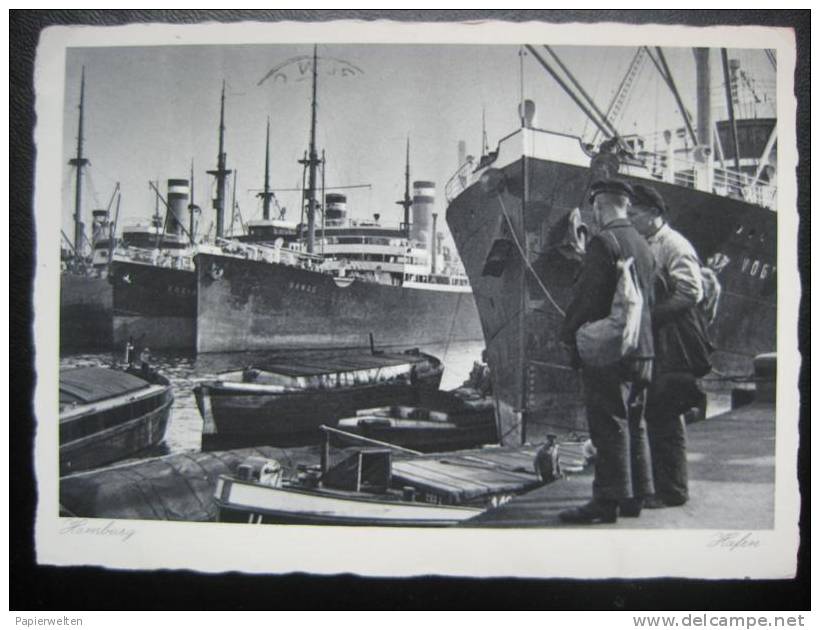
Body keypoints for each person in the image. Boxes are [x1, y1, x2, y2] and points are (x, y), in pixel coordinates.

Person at [559, 179, 656, 524]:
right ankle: (637, 495)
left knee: (608, 422)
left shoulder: (604, 242)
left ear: (600, 206)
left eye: (595, 208)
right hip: (644, 349)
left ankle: (606, 502)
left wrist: (570, 336)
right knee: (635, 421)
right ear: (626, 205)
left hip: (612, 350)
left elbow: (588, 300)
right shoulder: (643, 244)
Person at [628, 183, 709, 509]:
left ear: (654, 214)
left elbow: (691, 293)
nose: (630, 219)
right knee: (655, 412)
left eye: (635, 214)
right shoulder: (647, 242)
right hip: (657, 339)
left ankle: (672, 491)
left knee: (666, 413)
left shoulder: (675, 245)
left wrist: (648, 318)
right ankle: (659, 487)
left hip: (672, 341)